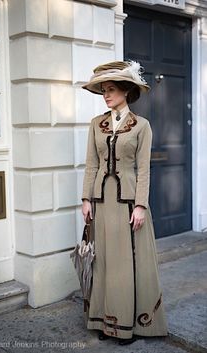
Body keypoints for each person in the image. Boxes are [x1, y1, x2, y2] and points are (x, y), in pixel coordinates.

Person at [81, 61, 168, 345]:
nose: (106, 95)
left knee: (127, 264)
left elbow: (144, 169)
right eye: (104, 90)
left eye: (112, 89)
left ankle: (127, 326)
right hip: (101, 203)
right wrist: (86, 199)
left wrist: (141, 205)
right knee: (103, 261)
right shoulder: (97, 124)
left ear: (126, 91)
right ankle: (103, 321)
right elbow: (91, 164)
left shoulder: (142, 126)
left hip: (129, 203)